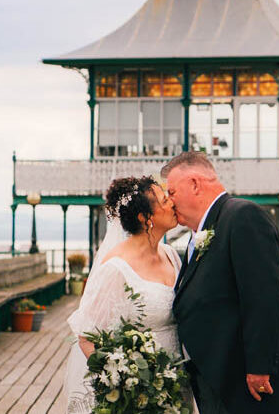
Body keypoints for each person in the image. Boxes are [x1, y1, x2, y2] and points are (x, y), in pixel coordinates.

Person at [165, 152, 279, 414]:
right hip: (221, 377)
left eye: (172, 192)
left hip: (248, 382)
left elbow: (264, 297)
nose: (169, 201)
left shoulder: (243, 216)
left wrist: (259, 367)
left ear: (195, 184)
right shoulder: (206, 228)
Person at [63, 175, 197, 414]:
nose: (172, 203)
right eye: (164, 200)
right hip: (141, 394)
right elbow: (87, 337)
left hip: (178, 381)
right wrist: (126, 380)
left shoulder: (171, 256)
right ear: (145, 217)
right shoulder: (116, 268)